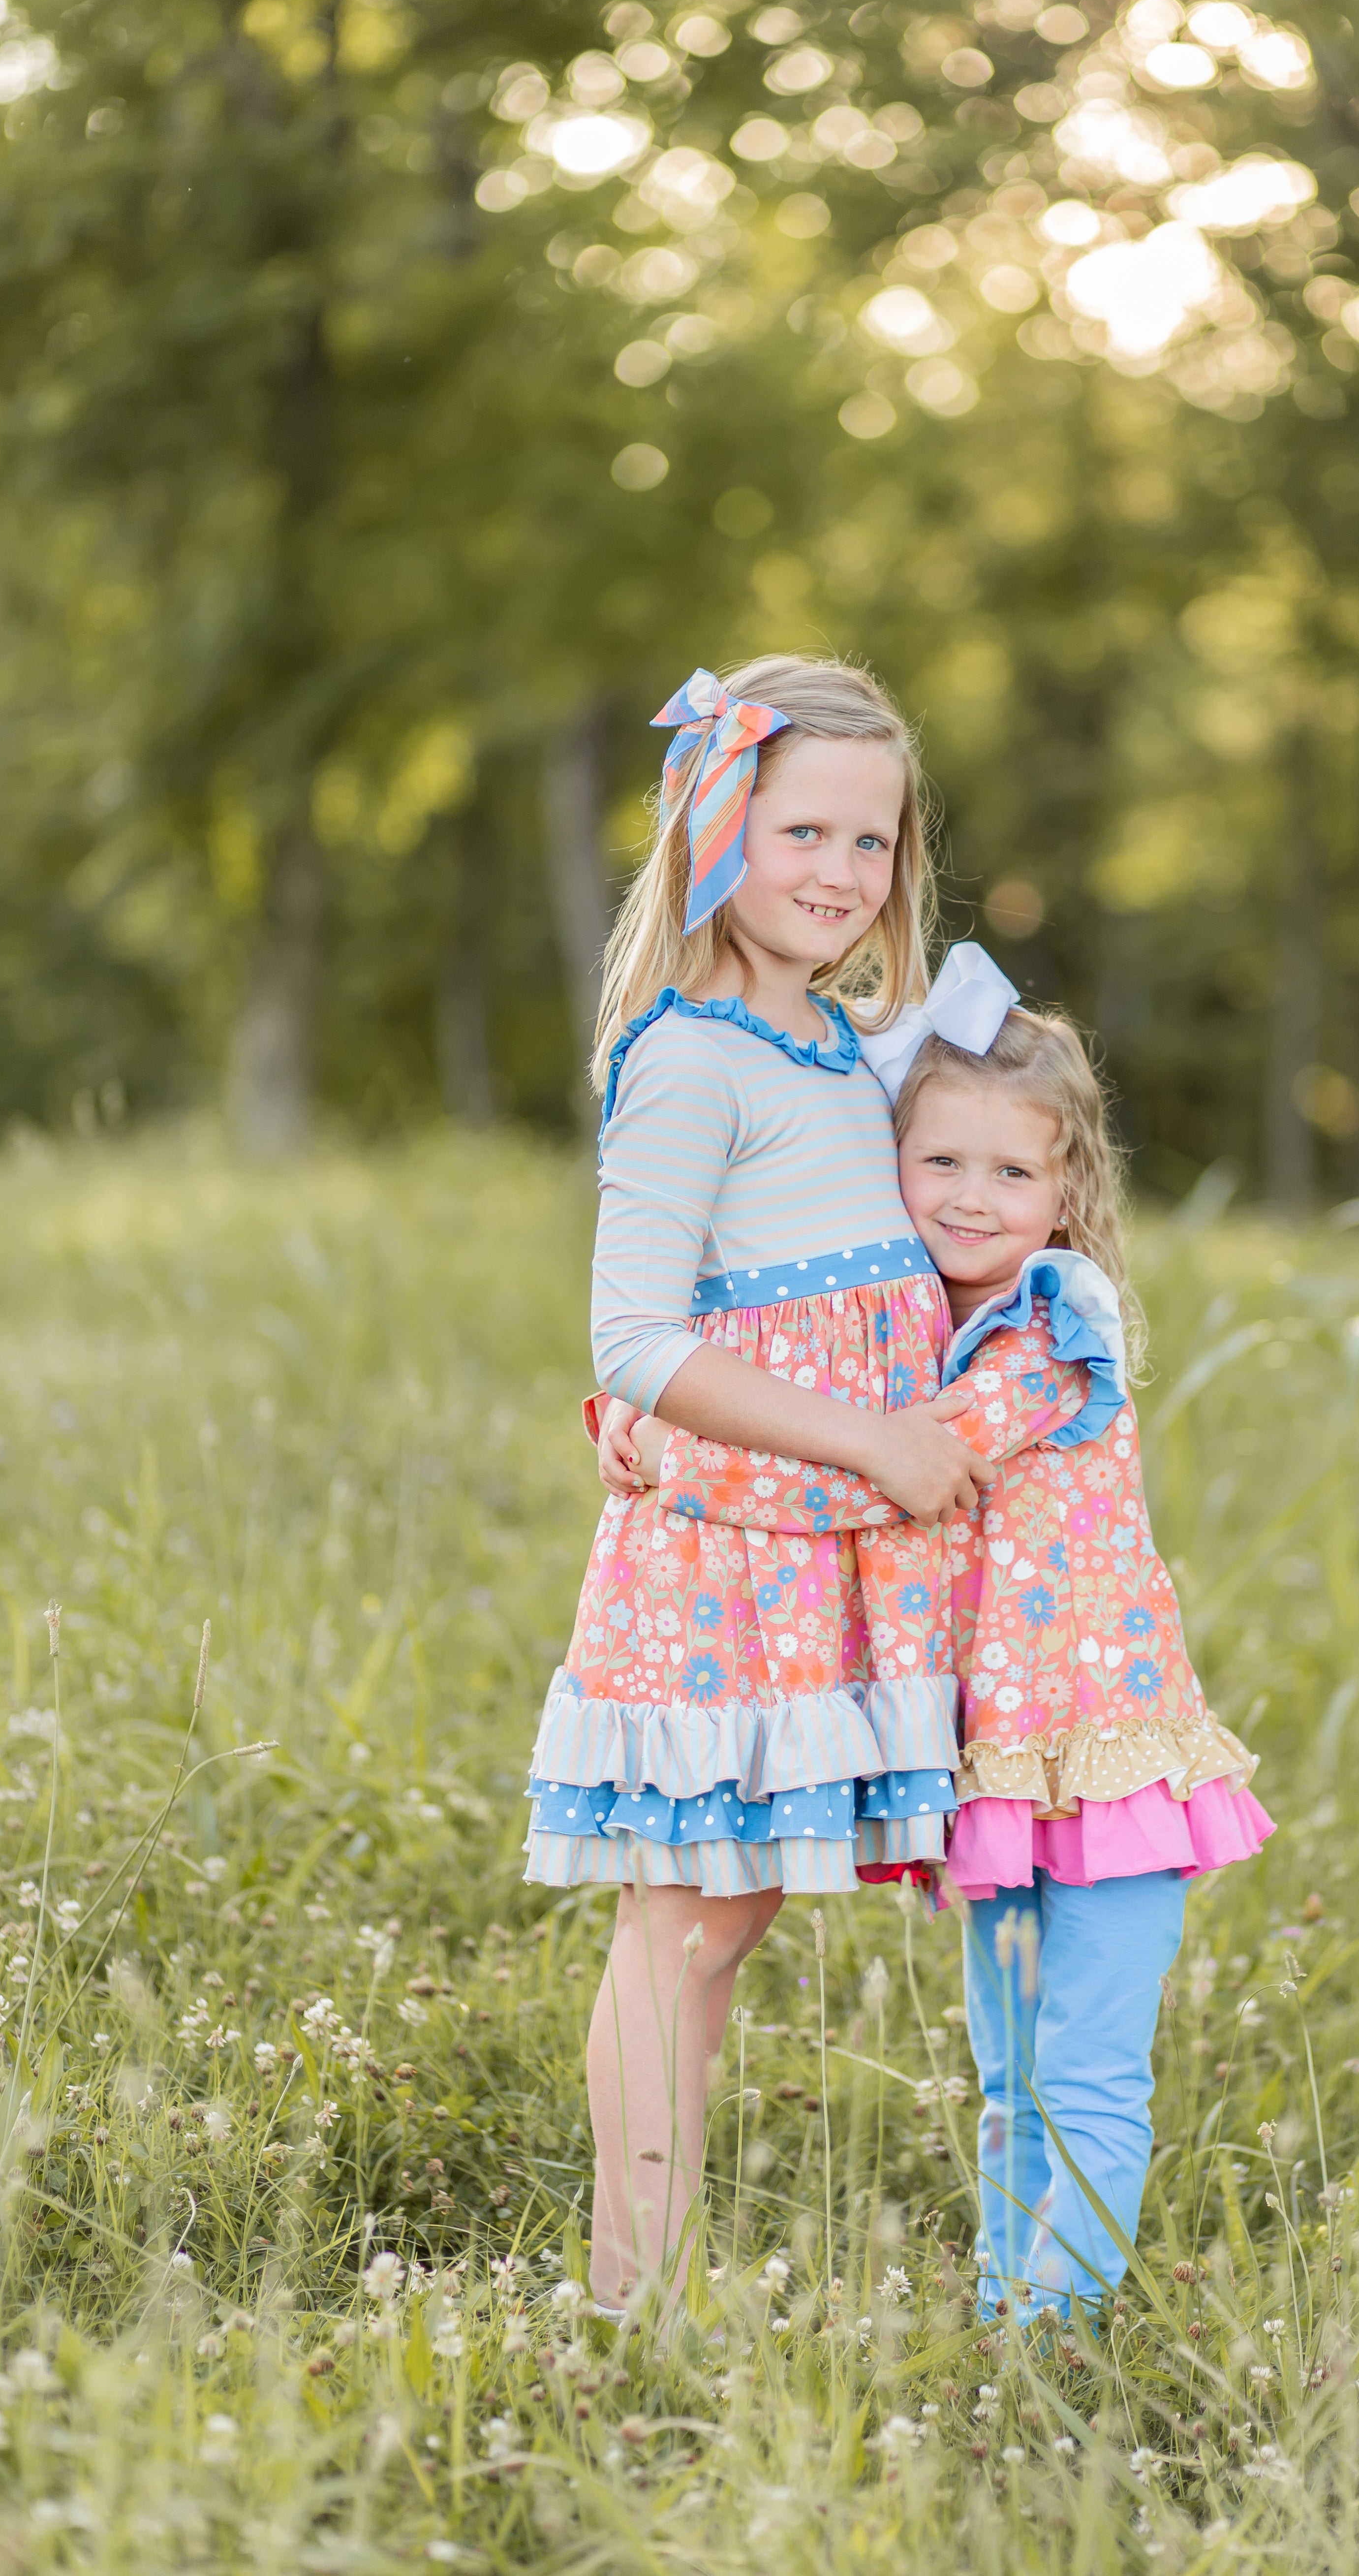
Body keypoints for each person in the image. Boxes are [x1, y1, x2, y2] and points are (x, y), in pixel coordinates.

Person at [609, 945, 1274, 2320]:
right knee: (1010, 2076)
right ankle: (1006, 2319)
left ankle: (1058, 2342)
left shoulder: (1048, 1327)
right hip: (1003, 1778)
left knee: (1084, 2073)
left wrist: (666, 1445)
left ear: (1068, 1191)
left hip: (1105, 1769)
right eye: (943, 1166)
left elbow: (884, 1470)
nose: (973, 1200)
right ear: (893, 1169)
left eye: (1013, 1175)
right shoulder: (921, 1331)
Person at [525, 657, 993, 2315]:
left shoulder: (854, 1048)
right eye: (806, 829)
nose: (841, 875)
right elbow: (633, 1338)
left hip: (831, 1567)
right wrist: (872, 1438)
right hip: (731, 1566)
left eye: (873, 844)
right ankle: (622, 2294)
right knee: (685, 1928)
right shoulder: (691, 1059)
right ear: (716, 825)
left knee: (730, 1930)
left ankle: (645, 2284)